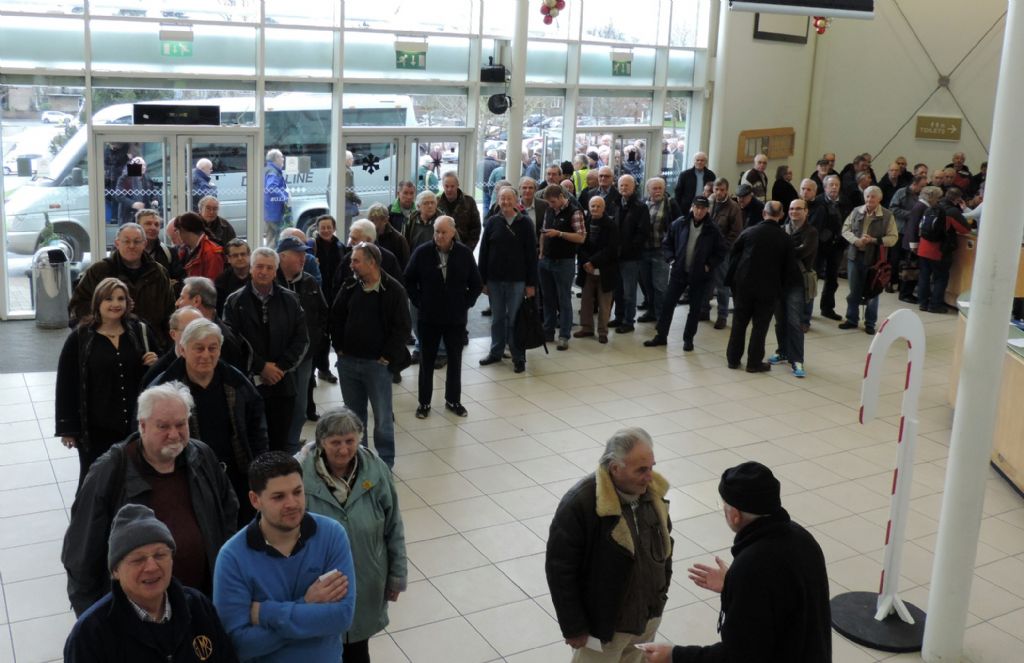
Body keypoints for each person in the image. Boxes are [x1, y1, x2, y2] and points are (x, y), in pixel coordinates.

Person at [62, 382, 239, 616]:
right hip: (135, 615)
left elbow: (228, 514)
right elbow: (80, 556)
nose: (174, 434)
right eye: (163, 426)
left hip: (200, 605)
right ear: (142, 426)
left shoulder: (201, 456)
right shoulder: (110, 471)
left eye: (180, 424)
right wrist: (93, 619)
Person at [639, 462, 830, 663]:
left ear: (735, 515)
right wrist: (733, 587)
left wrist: (674, 655)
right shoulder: (802, 538)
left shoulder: (752, 565)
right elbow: (781, 600)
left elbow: (738, 656)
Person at [213, 452, 356, 663]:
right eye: (278, 497)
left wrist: (265, 612)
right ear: (255, 500)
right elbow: (239, 644)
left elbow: (341, 617)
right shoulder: (232, 557)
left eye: (297, 492)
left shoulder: (332, 534)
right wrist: (307, 603)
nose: (292, 503)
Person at [546, 428, 672, 662]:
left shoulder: (652, 495)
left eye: (651, 467)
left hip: (646, 621)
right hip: (604, 629)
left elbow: (665, 548)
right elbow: (560, 570)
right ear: (615, 468)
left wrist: (660, 596)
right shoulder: (580, 504)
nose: (649, 476)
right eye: (641, 470)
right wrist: (573, 626)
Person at [296, 408, 407, 662]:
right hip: (318, 585)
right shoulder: (300, 474)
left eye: (350, 441)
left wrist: (397, 575)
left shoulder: (376, 469)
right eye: (335, 442)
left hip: (368, 577)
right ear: (322, 442)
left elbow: (394, 525)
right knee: (323, 648)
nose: (344, 450)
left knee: (357, 648)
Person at [63, 504, 239, 663]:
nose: (151, 567)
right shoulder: (90, 635)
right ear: (115, 571)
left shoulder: (199, 607)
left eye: (160, 555)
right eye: (138, 560)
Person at [57, 277, 160, 485]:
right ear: (98, 303)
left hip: (134, 425)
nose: (115, 304)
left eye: (121, 298)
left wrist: (155, 361)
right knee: (95, 482)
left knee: (134, 480)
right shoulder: (80, 337)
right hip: (96, 428)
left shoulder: (140, 331)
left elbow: (159, 369)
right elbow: (66, 384)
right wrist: (67, 428)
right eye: (109, 299)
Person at [330, 242, 410, 468]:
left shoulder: (394, 290)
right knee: (354, 418)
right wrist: (339, 348)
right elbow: (335, 318)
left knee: (383, 418)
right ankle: (359, 460)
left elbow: (402, 328)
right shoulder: (349, 286)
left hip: (377, 366)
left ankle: (385, 463)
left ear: (371, 262)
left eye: (355, 260)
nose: (351, 264)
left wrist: (386, 357)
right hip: (348, 363)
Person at [223, 247, 309, 451]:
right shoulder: (234, 302)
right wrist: (261, 367)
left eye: (269, 267)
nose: (263, 271)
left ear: (275, 271)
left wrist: (279, 368)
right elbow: (231, 342)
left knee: (280, 442)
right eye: (259, 266)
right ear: (251, 269)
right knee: (253, 443)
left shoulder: (291, 299)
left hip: (283, 383)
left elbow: (301, 339)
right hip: (249, 383)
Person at [404, 216, 482, 418]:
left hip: (455, 319)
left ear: (453, 233)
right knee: (426, 362)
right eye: (436, 231)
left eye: (443, 232)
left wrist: (466, 303)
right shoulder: (422, 252)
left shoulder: (464, 254)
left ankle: (453, 400)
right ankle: (424, 403)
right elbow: (409, 280)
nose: (439, 236)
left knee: (455, 361)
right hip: (428, 317)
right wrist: (419, 301)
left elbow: (476, 283)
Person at [69, 223, 176, 349]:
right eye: (126, 241)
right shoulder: (99, 271)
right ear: (117, 243)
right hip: (107, 345)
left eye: (137, 241)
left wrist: (168, 350)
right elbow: (77, 308)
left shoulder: (159, 273)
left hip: (151, 346)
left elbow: (170, 314)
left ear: (144, 244)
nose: (132, 246)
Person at [725, 201, 800, 372]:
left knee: (739, 323)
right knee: (760, 326)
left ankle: (733, 359)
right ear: (781, 215)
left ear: (763, 213)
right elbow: (789, 268)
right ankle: (753, 363)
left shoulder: (749, 232)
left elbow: (734, 254)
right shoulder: (785, 238)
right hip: (769, 288)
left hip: (744, 285)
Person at [644, 196, 726, 351]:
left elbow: (721, 251)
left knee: (694, 309)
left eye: (703, 208)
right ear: (692, 207)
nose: (699, 211)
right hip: (679, 272)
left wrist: (709, 265)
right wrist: (671, 260)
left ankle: (688, 339)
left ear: (707, 209)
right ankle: (661, 336)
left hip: (700, 276)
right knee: (668, 305)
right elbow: (667, 243)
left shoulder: (712, 229)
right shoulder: (680, 223)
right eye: (697, 207)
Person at [275, 237, 328, 451]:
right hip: (278, 359)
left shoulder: (309, 282)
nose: (303, 258)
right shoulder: (272, 282)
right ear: (282, 256)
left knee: (300, 406)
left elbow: (323, 313)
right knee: (280, 405)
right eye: (298, 254)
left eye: (304, 254)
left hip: (305, 357)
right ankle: (279, 444)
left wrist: (316, 340)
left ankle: (291, 444)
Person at [478, 186, 538, 374]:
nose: (505, 202)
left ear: (516, 200)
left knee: (515, 320)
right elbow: (484, 253)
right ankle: (496, 352)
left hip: (517, 281)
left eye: (509, 199)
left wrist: (531, 283)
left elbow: (531, 256)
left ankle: (518, 356)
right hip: (494, 280)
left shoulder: (525, 223)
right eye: (502, 199)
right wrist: (483, 280)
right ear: (498, 200)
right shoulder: (492, 222)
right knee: (497, 319)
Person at [838, 185, 898, 335]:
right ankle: (851, 319)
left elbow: (893, 238)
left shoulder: (887, 215)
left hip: (875, 260)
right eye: (867, 196)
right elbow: (845, 230)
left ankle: (870, 323)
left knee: (873, 292)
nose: (870, 199)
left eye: (873, 197)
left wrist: (874, 240)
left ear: (880, 199)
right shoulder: (856, 211)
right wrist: (855, 241)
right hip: (855, 256)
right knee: (853, 290)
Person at [768, 199, 817, 378]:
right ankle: (782, 351)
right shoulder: (782, 229)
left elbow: (803, 252)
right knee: (780, 320)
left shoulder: (811, 232)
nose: (794, 212)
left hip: (798, 283)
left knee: (794, 321)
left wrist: (785, 250)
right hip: (780, 281)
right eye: (791, 208)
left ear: (806, 211)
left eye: (798, 209)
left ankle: (797, 359)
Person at [540, 184, 587, 350]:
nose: (551, 205)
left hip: (564, 262)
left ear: (561, 197)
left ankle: (564, 335)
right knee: (548, 298)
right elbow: (544, 232)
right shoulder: (549, 210)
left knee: (564, 299)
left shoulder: (575, 212)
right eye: (549, 202)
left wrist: (559, 234)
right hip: (546, 260)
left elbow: (581, 237)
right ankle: (548, 331)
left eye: (553, 202)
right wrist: (541, 254)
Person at [172, 277, 248, 377]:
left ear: (196, 301)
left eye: (181, 298)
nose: (177, 303)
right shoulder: (185, 331)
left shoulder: (225, 341)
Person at [917, 187, 972, 314]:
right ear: (958, 199)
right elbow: (965, 230)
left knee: (924, 275)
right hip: (938, 250)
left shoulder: (931, 207)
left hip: (923, 247)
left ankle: (922, 303)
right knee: (940, 277)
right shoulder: (952, 212)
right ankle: (935, 305)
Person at [574, 196, 619, 344]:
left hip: (605, 269)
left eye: (598, 206)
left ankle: (602, 331)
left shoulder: (611, 225)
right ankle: (586, 328)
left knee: (604, 303)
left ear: (604, 208)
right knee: (586, 301)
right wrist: (587, 262)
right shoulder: (585, 223)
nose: (595, 209)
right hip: (587, 270)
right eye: (592, 206)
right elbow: (580, 245)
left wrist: (593, 262)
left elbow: (611, 249)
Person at [612, 175, 651, 334]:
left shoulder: (641, 207)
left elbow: (642, 233)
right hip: (615, 255)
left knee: (629, 291)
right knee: (618, 290)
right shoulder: (615, 204)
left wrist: (630, 248)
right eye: (621, 185)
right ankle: (618, 317)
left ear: (634, 187)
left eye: (627, 185)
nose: (624, 188)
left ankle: (629, 321)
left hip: (631, 256)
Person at [638, 177, 680, 324]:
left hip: (661, 251)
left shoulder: (670, 204)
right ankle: (651, 311)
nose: (657, 191)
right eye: (654, 188)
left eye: (660, 188)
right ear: (648, 190)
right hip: (644, 250)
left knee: (660, 285)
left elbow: (679, 225)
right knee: (647, 284)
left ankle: (662, 315)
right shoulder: (643, 204)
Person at [308, 214, 344, 384]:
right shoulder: (311, 247)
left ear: (334, 228)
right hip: (317, 298)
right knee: (319, 336)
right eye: (323, 227)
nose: (326, 230)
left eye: (329, 227)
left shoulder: (340, 246)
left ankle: (324, 369)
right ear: (317, 228)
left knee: (330, 334)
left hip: (336, 297)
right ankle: (313, 372)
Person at [704, 178, 744, 329]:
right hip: (706, 249)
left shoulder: (733, 207)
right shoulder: (709, 202)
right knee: (706, 282)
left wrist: (723, 248)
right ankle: (704, 310)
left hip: (723, 251)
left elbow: (736, 232)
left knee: (722, 285)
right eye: (716, 189)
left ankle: (722, 315)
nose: (719, 193)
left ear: (727, 190)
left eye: (722, 190)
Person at [136, 208, 186, 296]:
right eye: (148, 223)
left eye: (156, 224)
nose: (153, 227)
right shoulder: (126, 252)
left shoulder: (170, 253)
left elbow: (180, 284)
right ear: (137, 226)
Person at [436, 172, 482, 251]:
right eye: (446, 186)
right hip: (440, 249)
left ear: (458, 185)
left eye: (452, 186)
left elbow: (476, 228)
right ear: (443, 186)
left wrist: (468, 249)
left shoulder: (469, 202)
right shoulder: (436, 202)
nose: (449, 189)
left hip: (464, 248)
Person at [175, 212, 224, 280]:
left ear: (183, 230)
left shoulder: (211, 253)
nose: (176, 234)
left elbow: (212, 285)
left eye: (177, 230)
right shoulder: (183, 249)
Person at [113, 157, 161, 225]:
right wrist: (133, 204)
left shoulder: (147, 178)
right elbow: (118, 196)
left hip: (144, 216)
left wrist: (155, 200)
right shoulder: (124, 178)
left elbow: (153, 192)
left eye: (144, 165)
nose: (143, 167)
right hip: (128, 217)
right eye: (140, 165)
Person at [215, 238, 251, 315]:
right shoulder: (221, 282)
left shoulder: (258, 276)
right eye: (235, 255)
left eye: (243, 254)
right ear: (228, 259)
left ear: (249, 255)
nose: (240, 258)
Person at [264, 148, 290, 246]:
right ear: (275, 159)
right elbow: (271, 187)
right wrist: (284, 198)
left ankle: (267, 256)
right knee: (278, 238)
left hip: (269, 211)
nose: (283, 159)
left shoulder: (269, 169)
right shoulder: (273, 172)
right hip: (274, 211)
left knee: (270, 237)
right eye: (281, 157)